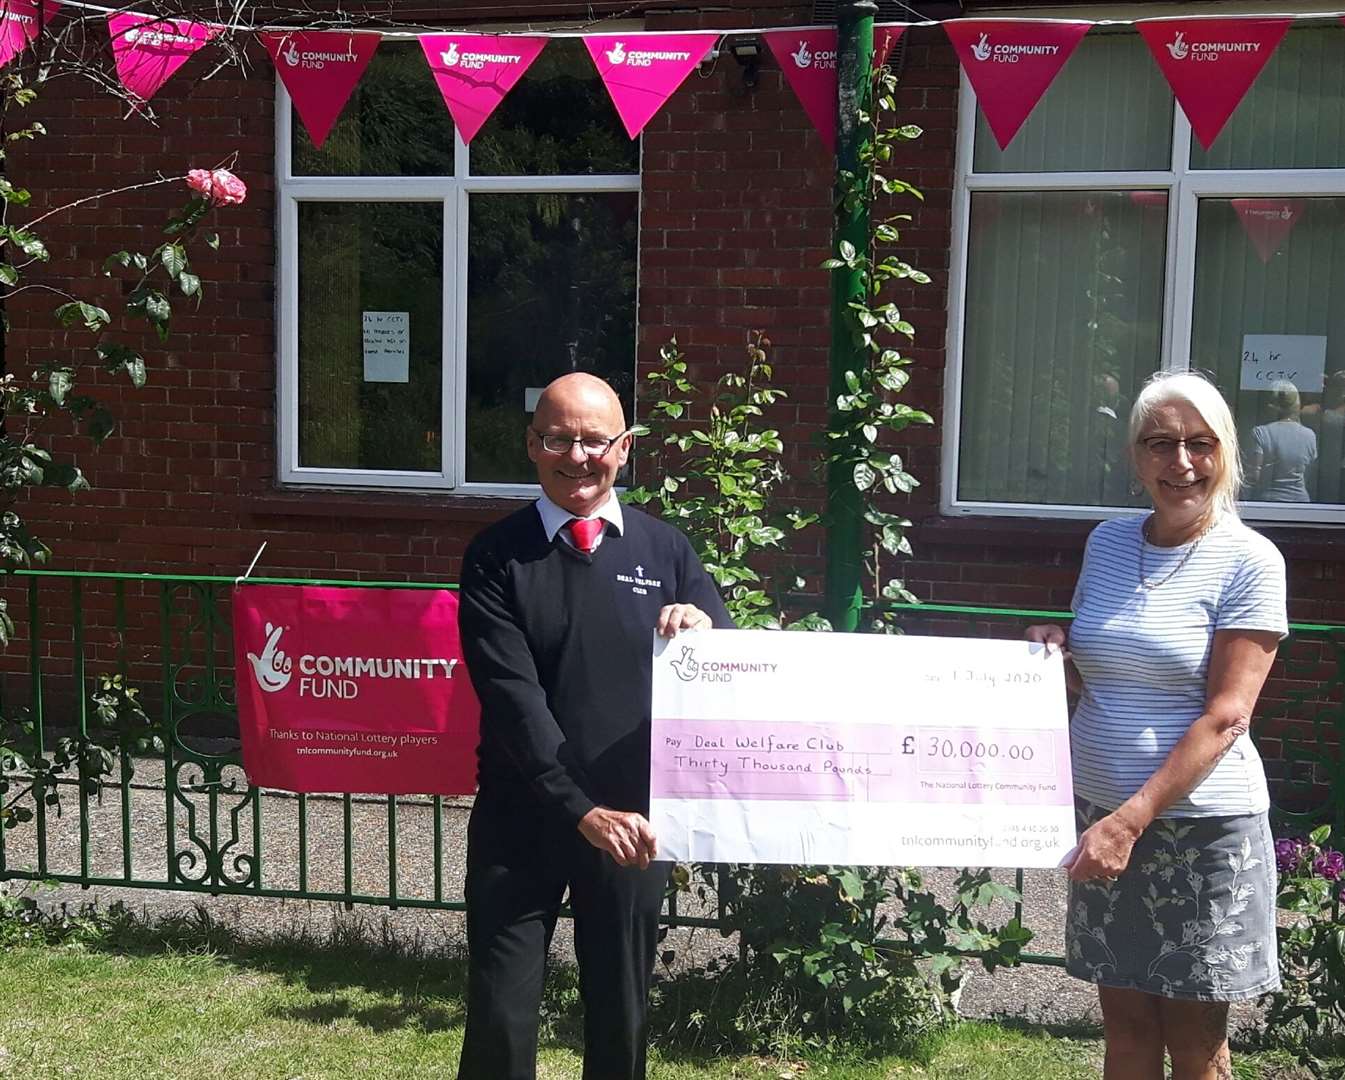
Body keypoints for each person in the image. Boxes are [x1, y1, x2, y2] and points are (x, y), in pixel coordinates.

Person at [455, 372, 731, 1080]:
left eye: (593, 441)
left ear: (624, 448)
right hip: (523, 817)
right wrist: (579, 808)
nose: (575, 457)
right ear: (530, 444)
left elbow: (730, 665)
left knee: (620, 1011)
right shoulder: (495, 556)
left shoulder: (666, 550)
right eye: (557, 439)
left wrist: (702, 629)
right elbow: (512, 697)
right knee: (500, 1011)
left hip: (632, 825)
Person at [1026, 371, 1286, 1080]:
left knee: (1194, 1041)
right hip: (1103, 815)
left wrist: (1128, 821)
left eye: (1198, 444)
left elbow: (1227, 713)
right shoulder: (1106, 544)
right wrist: (1054, 656)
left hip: (1198, 829)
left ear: (1225, 452)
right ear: (1135, 457)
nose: (1180, 463)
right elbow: (1107, 677)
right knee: (1127, 1025)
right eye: (1160, 444)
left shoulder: (1251, 561)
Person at [1247, 380, 1317, 502]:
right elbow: (1309, 473)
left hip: (1268, 502)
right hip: (1301, 502)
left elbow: (1254, 475)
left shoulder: (1261, 432)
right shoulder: (1310, 435)